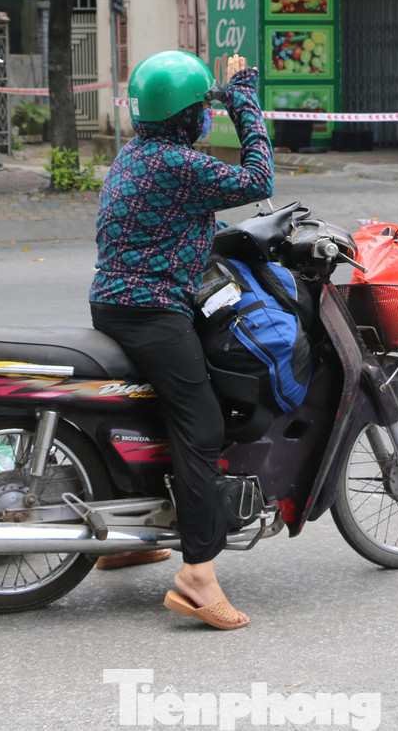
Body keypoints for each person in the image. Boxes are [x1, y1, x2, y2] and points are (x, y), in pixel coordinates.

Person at [90, 50, 272, 629]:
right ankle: (198, 574)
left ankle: (128, 538)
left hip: (115, 305)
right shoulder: (180, 165)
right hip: (152, 314)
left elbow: (175, 222)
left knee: (156, 412)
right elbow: (258, 179)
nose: (205, 119)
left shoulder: (134, 156)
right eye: (202, 109)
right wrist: (242, 94)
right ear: (187, 117)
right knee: (202, 427)